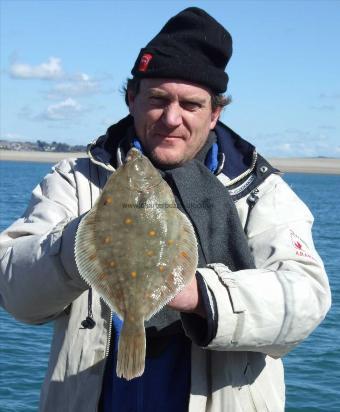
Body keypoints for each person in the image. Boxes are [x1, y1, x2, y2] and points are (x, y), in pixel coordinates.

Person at [0, 7, 331, 412]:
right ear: (132, 98)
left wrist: (200, 295)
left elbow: (306, 298)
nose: (171, 118)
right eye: (158, 98)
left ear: (215, 114)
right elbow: (13, 291)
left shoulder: (261, 191)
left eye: (190, 105)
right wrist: (79, 243)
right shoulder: (77, 181)